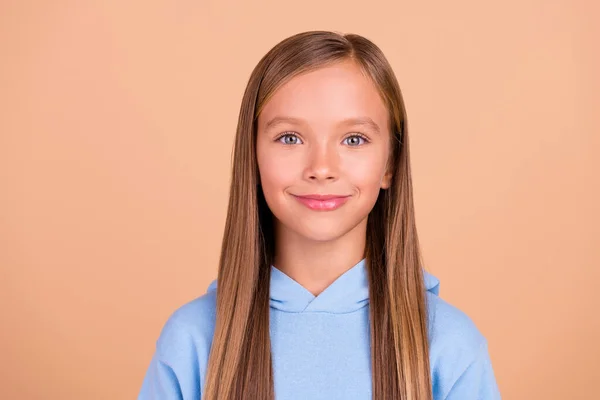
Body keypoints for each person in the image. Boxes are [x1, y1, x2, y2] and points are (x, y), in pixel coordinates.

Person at [138, 30, 501, 400]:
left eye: (354, 139)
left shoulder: (450, 346)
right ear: (253, 157)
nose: (322, 168)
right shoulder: (192, 340)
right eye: (290, 138)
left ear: (390, 163)